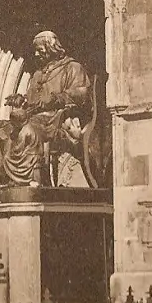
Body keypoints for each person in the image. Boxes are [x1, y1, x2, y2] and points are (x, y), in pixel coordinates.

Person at [14, 31, 93, 187]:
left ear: (51, 48)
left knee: (29, 131)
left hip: (56, 119)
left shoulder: (72, 68)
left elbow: (82, 94)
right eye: (35, 50)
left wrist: (56, 98)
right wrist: (21, 100)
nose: (36, 54)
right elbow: (33, 102)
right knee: (1, 131)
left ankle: (35, 181)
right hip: (35, 118)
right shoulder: (37, 75)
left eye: (40, 50)